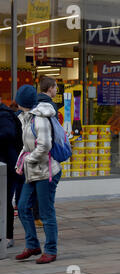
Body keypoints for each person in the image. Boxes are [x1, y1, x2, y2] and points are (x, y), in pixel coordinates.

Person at [14, 85, 62, 264]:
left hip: (46, 171)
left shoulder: (39, 119)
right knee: (23, 207)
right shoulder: (26, 118)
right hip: (33, 170)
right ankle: (33, 245)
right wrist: (21, 161)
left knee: (46, 212)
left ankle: (51, 250)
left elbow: (44, 146)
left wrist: (27, 160)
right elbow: (27, 147)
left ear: (22, 102)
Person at [0, 96, 23, 248]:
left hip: (7, 166)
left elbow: (7, 134)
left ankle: (8, 236)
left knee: (5, 200)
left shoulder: (4, 114)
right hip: (5, 164)